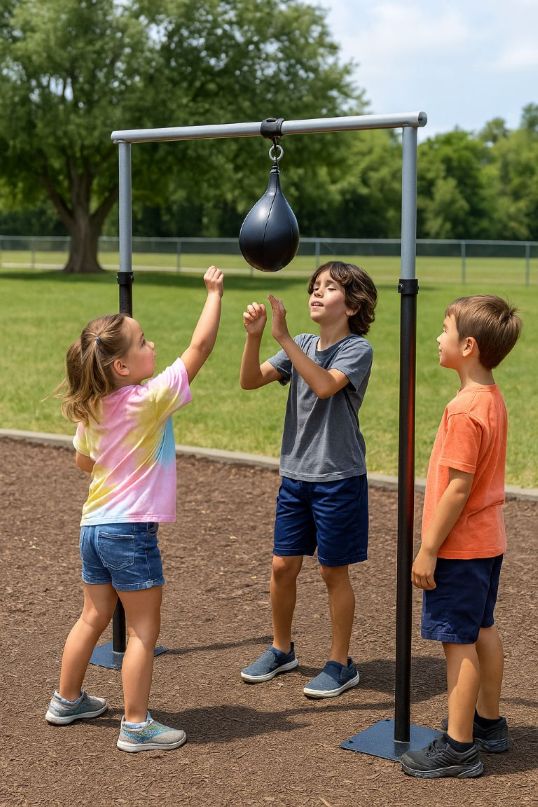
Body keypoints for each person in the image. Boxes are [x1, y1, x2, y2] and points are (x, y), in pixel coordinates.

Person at [45, 266, 224, 752]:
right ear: (121, 366)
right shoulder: (148, 400)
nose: (152, 347)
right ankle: (137, 724)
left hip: (93, 527)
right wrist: (214, 293)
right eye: (143, 342)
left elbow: (85, 461)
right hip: (129, 531)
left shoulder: (93, 406)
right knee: (144, 630)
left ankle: (66, 699)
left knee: (92, 615)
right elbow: (200, 349)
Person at [239, 261, 377, 698]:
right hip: (296, 477)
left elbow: (322, 385)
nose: (316, 293)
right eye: (314, 287)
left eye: (329, 288)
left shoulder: (356, 350)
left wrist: (281, 338)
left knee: (333, 572)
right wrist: (257, 336)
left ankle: (340, 663)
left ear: (352, 304)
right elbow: (248, 382)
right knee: (282, 566)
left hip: (338, 478)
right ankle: (282, 649)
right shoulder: (299, 343)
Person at [400, 295, 522, 779]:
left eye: (444, 329)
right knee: (482, 629)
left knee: (458, 644)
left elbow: (457, 487)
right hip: (488, 542)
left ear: (468, 345)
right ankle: (489, 723)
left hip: (459, 546)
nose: (436, 337)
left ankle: (458, 747)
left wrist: (428, 548)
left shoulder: (462, 409)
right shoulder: (492, 398)